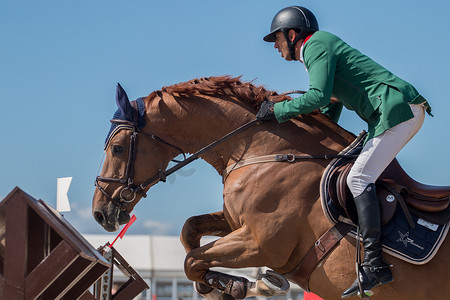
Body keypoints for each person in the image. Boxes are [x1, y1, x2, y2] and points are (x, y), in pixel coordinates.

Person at [257, 6, 432, 299]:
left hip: (398, 111)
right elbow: (331, 103)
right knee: (351, 171)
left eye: (276, 38)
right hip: (388, 114)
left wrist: (278, 111)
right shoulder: (315, 49)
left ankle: (374, 265)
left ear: (292, 33)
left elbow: (318, 96)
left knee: (358, 180)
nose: (275, 46)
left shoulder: (316, 45)